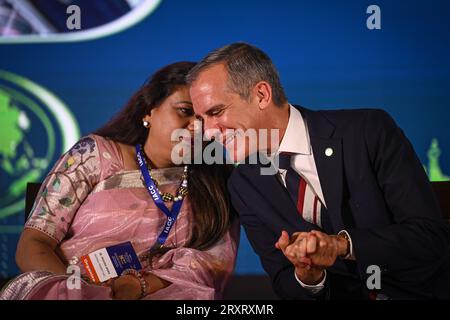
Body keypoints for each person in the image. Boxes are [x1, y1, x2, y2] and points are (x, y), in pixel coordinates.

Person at [187, 42, 450, 299]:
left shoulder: (368, 130)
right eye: (202, 119)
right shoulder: (244, 184)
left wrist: (340, 245)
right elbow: (283, 283)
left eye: (216, 111)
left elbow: (430, 237)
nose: (208, 132)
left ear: (261, 95)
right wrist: (307, 275)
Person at [0, 61, 239, 300]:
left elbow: (211, 264)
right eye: (185, 111)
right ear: (149, 111)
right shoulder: (94, 155)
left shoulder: (216, 186)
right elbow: (33, 244)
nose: (195, 128)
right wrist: (81, 293)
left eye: (205, 119)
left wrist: (136, 286)